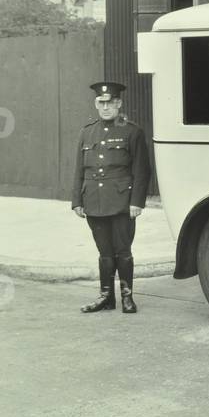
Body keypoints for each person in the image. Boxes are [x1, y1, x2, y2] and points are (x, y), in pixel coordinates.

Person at [71, 81, 151, 314]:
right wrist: (77, 201)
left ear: (119, 103)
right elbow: (79, 169)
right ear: (96, 104)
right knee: (104, 253)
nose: (105, 107)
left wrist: (136, 202)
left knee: (122, 252)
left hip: (122, 203)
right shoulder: (86, 132)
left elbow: (142, 171)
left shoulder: (132, 132)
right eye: (101, 103)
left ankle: (127, 297)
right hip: (94, 201)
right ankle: (106, 297)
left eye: (110, 103)